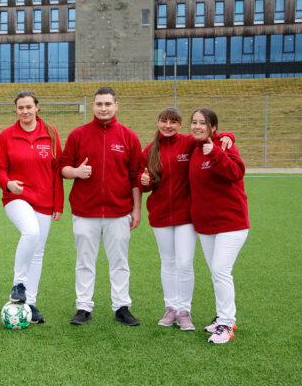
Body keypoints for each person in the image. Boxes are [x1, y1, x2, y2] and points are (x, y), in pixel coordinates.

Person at [140, 108, 233, 331]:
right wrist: (145, 182)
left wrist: (229, 135)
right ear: (158, 123)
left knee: (184, 263)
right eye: (164, 121)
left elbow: (212, 136)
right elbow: (145, 180)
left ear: (181, 125)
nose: (168, 125)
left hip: (187, 216)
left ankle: (184, 311)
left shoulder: (190, 143)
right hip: (160, 214)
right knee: (168, 263)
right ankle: (170, 308)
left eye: (173, 122)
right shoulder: (151, 149)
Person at [61, 86, 142, 326]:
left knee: (120, 262)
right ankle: (83, 307)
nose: (103, 108)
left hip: (119, 212)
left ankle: (121, 306)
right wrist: (77, 172)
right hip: (85, 211)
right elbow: (63, 168)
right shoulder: (78, 135)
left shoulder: (129, 136)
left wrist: (136, 209)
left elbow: (136, 176)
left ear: (116, 105)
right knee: (85, 261)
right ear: (93, 106)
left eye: (108, 104)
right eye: (99, 104)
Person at [0, 91, 64, 324]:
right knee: (31, 232)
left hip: (45, 199)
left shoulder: (51, 133)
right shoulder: (6, 136)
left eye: (28, 107)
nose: (25, 111)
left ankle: (30, 304)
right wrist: (8, 183)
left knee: (38, 251)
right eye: (20, 108)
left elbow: (56, 172)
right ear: (15, 110)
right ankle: (18, 283)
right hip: (17, 196)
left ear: (37, 108)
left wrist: (58, 204)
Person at [188, 108, 249, 344]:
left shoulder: (224, 146)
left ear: (213, 127)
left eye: (202, 123)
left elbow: (236, 172)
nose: (197, 126)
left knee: (221, 270)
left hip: (231, 222)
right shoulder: (193, 147)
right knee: (216, 272)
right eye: (194, 122)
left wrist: (217, 149)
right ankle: (223, 317)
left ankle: (226, 323)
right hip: (205, 224)